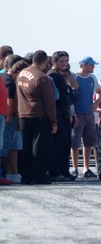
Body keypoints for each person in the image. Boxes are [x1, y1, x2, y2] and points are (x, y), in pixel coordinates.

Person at [16, 50, 57, 185]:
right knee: (40, 148)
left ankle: (26, 176)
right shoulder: (42, 77)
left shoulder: (21, 74)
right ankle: (38, 176)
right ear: (45, 61)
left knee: (26, 147)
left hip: (23, 114)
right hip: (39, 116)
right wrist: (53, 121)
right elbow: (49, 102)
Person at [47, 51, 79, 182]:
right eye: (62, 62)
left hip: (66, 116)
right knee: (58, 147)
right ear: (54, 62)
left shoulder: (61, 76)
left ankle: (64, 171)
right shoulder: (53, 76)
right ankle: (56, 172)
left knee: (65, 146)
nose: (64, 64)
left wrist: (71, 114)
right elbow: (58, 100)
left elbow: (72, 93)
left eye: (66, 61)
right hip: (59, 116)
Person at [70, 56, 101, 178]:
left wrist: (96, 103)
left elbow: (99, 91)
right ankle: (74, 168)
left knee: (88, 142)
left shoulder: (92, 78)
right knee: (75, 142)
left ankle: (86, 168)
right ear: (84, 64)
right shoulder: (74, 77)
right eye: (91, 65)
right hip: (77, 113)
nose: (93, 67)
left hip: (89, 114)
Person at [0, 56, 26, 184]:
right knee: (7, 147)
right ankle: (9, 173)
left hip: (11, 117)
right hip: (9, 118)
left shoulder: (6, 79)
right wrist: (10, 118)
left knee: (13, 147)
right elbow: (11, 102)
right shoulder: (9, 81)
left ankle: (12, 173)